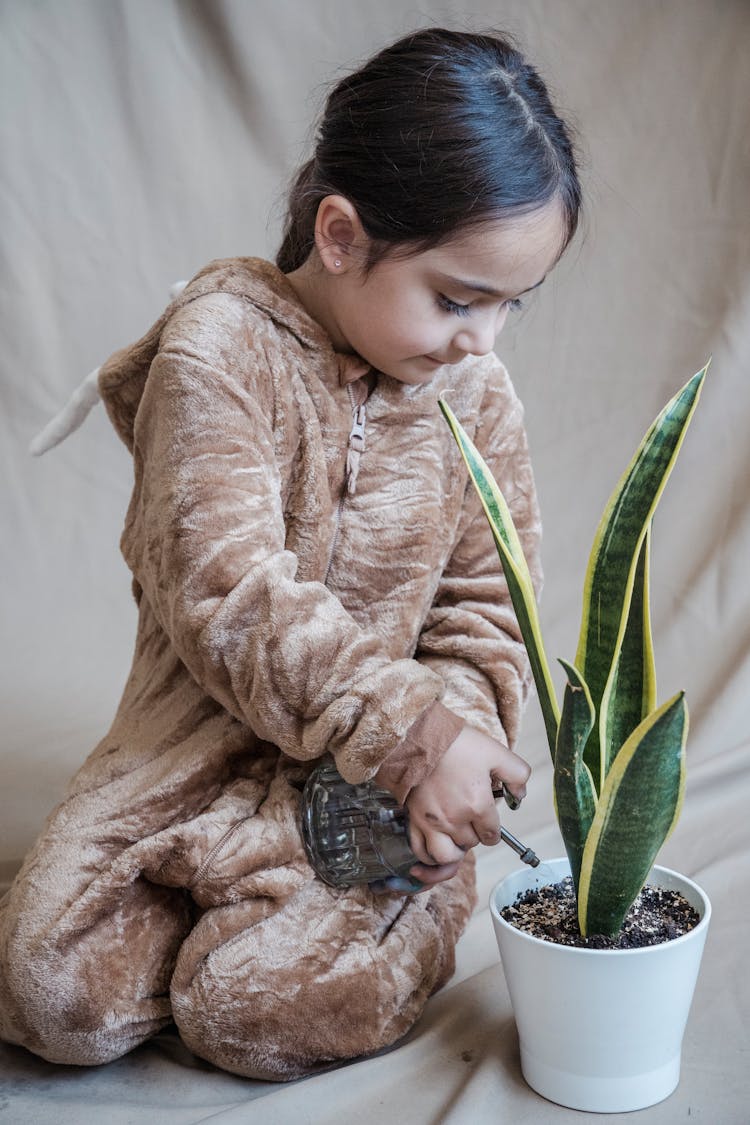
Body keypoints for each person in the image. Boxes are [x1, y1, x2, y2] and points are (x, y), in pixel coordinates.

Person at [0, 27, 581, 1080]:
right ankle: (238, 892)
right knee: (51, 994)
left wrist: (440, 752)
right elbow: (226, 593)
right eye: (457, 298)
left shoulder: (476, 394)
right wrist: (406, 727)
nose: (484, 340)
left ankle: (363, 910)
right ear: (342, 233)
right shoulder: (215, 351)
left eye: (511, 304)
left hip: (368, 804)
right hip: (189, 760)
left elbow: (487, 611)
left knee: (244, 1014)